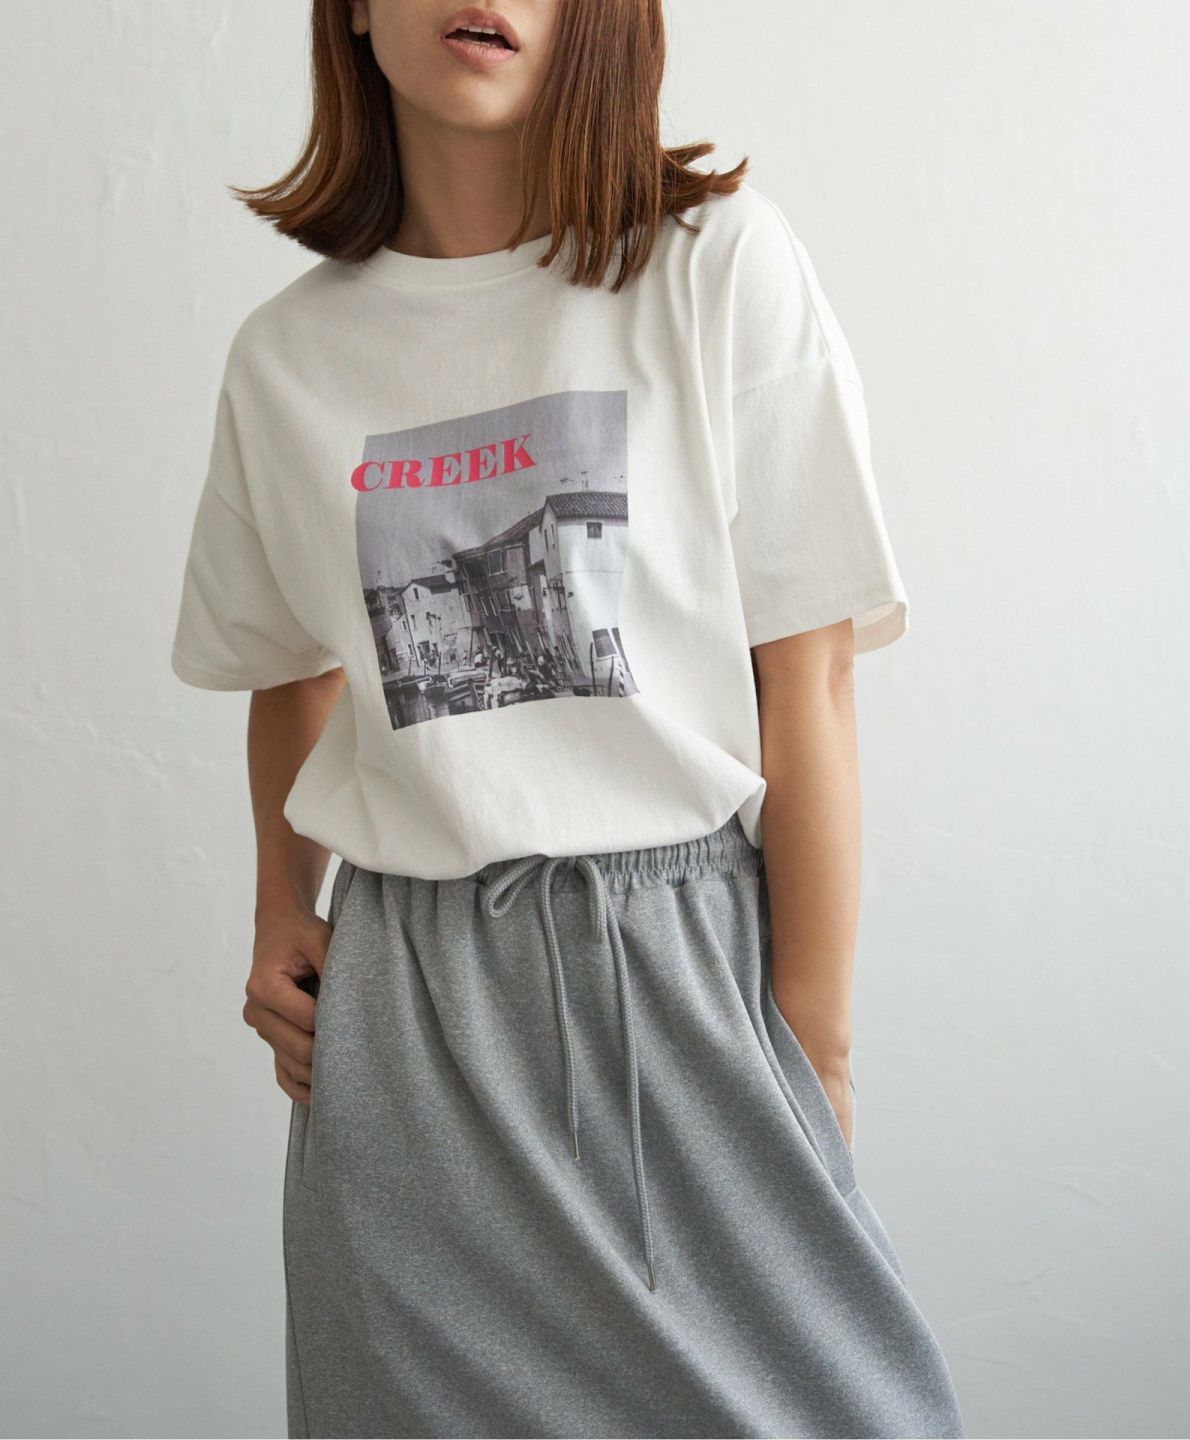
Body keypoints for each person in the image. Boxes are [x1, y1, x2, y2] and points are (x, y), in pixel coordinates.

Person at [171, 1, 966, 1436]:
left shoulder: (715, 268)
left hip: (689, 980)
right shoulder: (286, 356)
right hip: (411, 1024)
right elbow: (292, 665)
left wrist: (814, 1060)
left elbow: (810, 684)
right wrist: (280, 907)